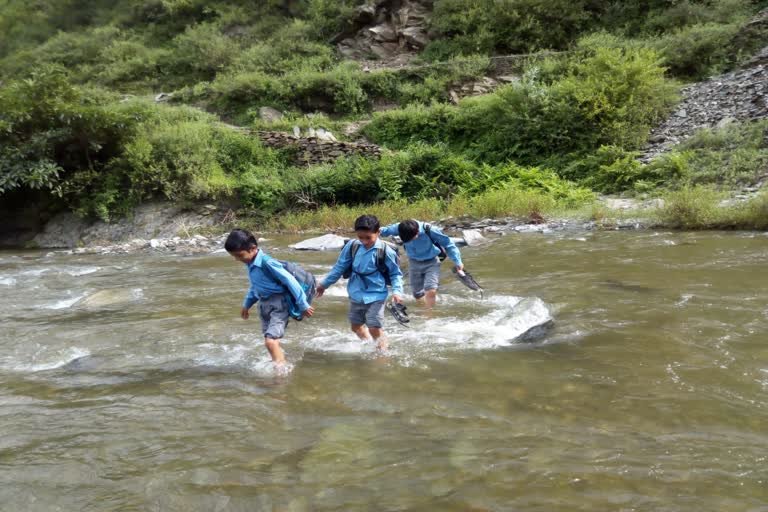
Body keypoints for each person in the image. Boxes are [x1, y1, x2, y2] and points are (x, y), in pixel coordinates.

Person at [225, 228, 314, 366]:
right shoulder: (250, 264)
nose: (237, 259)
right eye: (234, 256)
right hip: (264, 306)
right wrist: (247, 304)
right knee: (271, 340)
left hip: (279, 305)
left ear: (253, 248)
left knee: (270, 341)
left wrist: (303, 304)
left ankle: (281, 374)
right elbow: (255, 286)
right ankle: (279, 361)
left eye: (239, 255)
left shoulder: (267, 263)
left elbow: (290, 281)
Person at [316, 215, 404, 351]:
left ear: (378, 232)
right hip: (356, 292)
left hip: (376, 294)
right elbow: (339, 267)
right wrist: (323, 285)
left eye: (368, 238)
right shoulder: (353, 246)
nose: (364, 241)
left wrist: (397, 292)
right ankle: (371, 344)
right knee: (355, 327)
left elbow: (395, 273)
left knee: (374, 327)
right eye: (360, 237)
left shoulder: (386, 251)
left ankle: (382, 353)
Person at [380, 219, 463, 309]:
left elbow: (448, 244)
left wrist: (457, 261)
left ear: (418, 232)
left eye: (412, 238)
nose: (410, 241)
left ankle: (429, 314)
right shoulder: (400, 227)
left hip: (432, 262)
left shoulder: (430, 229)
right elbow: (383, 231)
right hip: (413, 263)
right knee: (417, 294)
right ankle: (426, 306)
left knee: (430, 289)